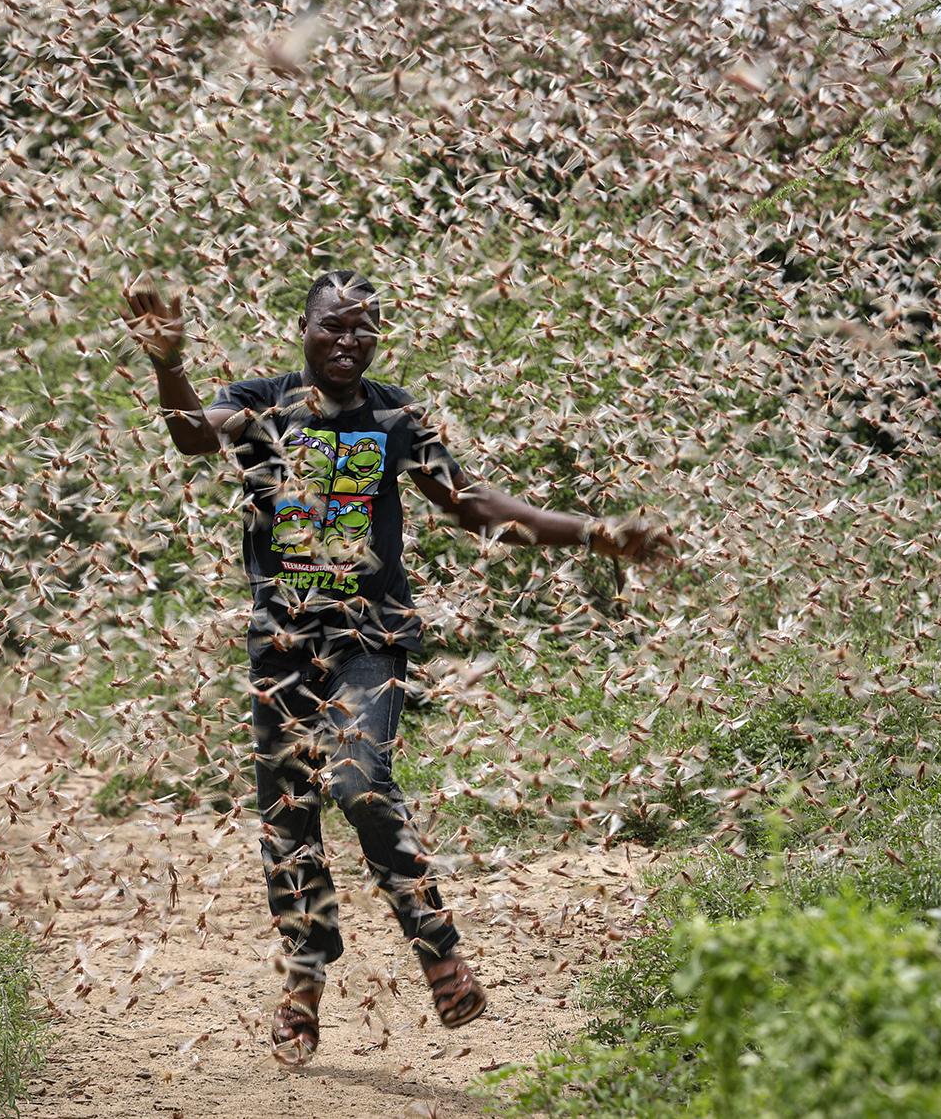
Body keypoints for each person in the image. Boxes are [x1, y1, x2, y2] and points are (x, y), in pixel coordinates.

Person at [119, 269, 667, 1066]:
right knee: (288, 814)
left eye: (362, 328)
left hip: (369, 636)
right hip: (282, 644)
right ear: (302, 329)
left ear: (378, 337)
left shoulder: (395, 414)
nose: (346, 340)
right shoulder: (263, 401)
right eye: (332, 326)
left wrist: (591, 532)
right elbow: (191, 433)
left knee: (357, 780)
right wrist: (168, 362)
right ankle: (303, 981)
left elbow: (474, 506)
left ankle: (438, 949)